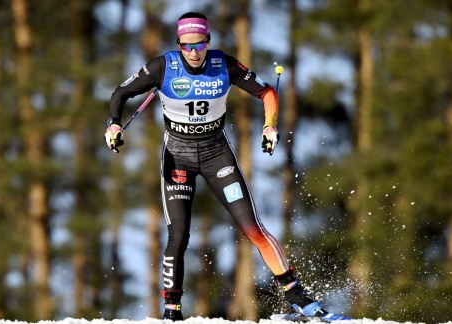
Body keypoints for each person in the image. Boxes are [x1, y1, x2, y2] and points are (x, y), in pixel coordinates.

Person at [105, 12, 349, 322]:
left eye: (200, 45)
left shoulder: (224, 65)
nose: (194, 53)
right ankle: (172, 311)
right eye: (187, 46)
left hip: (216, 154)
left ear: (208, 41)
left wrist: (269, 127)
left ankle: (297, 297)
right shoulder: (162, 66)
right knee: (178, 235)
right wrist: (113, 125)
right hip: (177, 156)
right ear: (178, 43)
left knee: (253, 228)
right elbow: (121, 93)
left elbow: (268, 92)